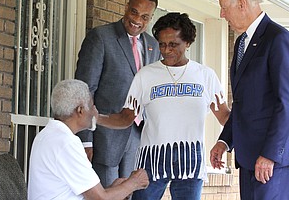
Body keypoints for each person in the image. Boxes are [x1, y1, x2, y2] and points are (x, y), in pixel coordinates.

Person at [95, 12, 230, 200]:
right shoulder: (146, 75)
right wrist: (97, 118)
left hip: (190, 159)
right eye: (162, 44)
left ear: (188, 42)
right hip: (152, 158)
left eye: (173, 44)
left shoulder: (205, 75)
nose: (166, 50)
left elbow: (225, 117)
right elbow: (126, 117)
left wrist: (228, 140)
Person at [210, 0, 289, 200]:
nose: (222, 14)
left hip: (270, 164)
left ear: (242, 3)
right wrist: (224, 141)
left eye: (224, 8)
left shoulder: (278, 39)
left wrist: (270, 155)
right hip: (247, 162)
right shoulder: (242, 42)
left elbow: (286, 102)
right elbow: (244, 104)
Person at [75, 0, 161, 188]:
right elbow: (84, 90)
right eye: (134, 12)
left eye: (145, 17)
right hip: (105, 137)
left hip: (138, 137)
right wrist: (85, 139)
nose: (137, 20)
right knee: (106, 193)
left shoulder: (153, 45)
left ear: (151, 18)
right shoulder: (101, 37)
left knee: (128, 192)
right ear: (126, 7)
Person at [28, 79, 149, 200]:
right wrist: (134, 183)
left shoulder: (46, 135)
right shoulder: (67, 143)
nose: (95, 112)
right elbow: (101, 198)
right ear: (80, 110)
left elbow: (89, 195)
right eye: (91, 106)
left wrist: (116, 188)